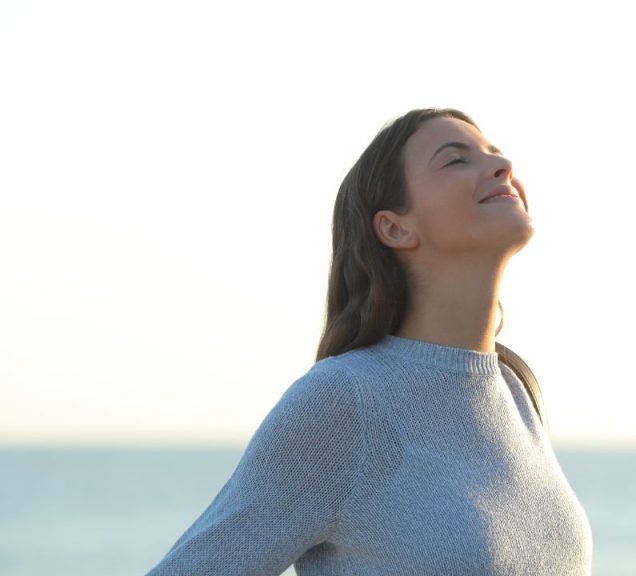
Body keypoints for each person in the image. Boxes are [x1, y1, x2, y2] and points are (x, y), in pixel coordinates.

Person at [146, 108, 594, 575]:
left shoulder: (515, 388)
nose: (502, 168)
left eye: (495, 155)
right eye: (455, 161)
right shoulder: (344, 401)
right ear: (395, 228)